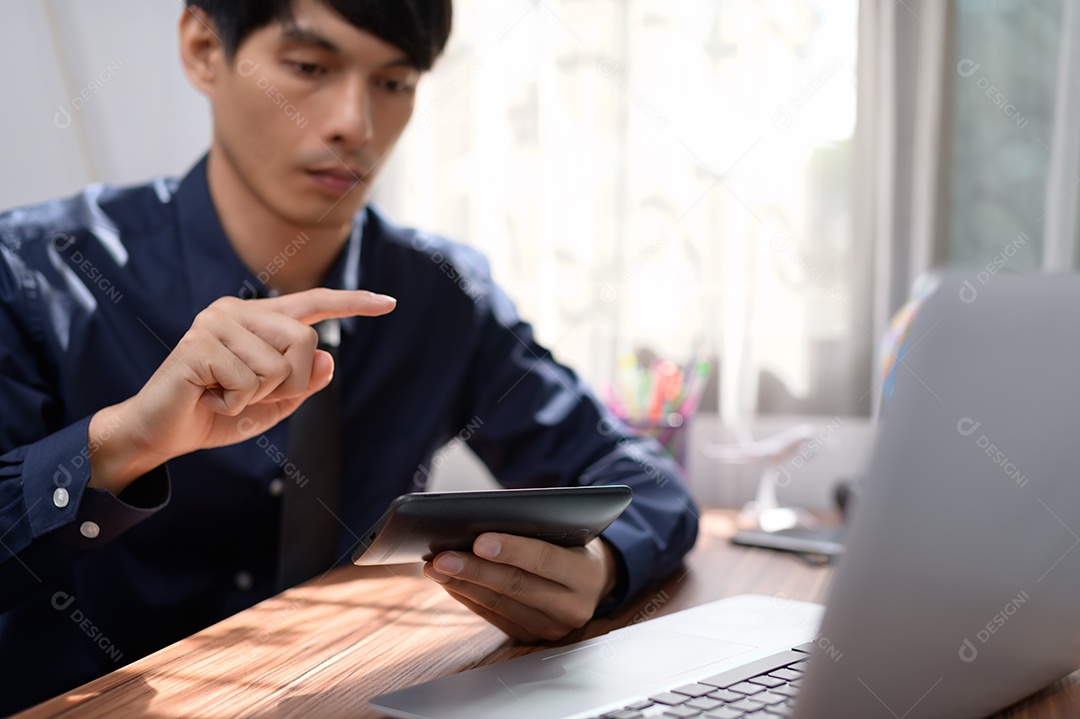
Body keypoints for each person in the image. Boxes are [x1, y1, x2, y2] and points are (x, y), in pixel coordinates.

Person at [0, 0, 698, 713]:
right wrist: (128, 439)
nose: (355, 126)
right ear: (205, 48)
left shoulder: (441, 296)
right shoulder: (33, 272)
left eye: (394, 83)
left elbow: (643, 478)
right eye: (309, 68)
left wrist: (604, 565)